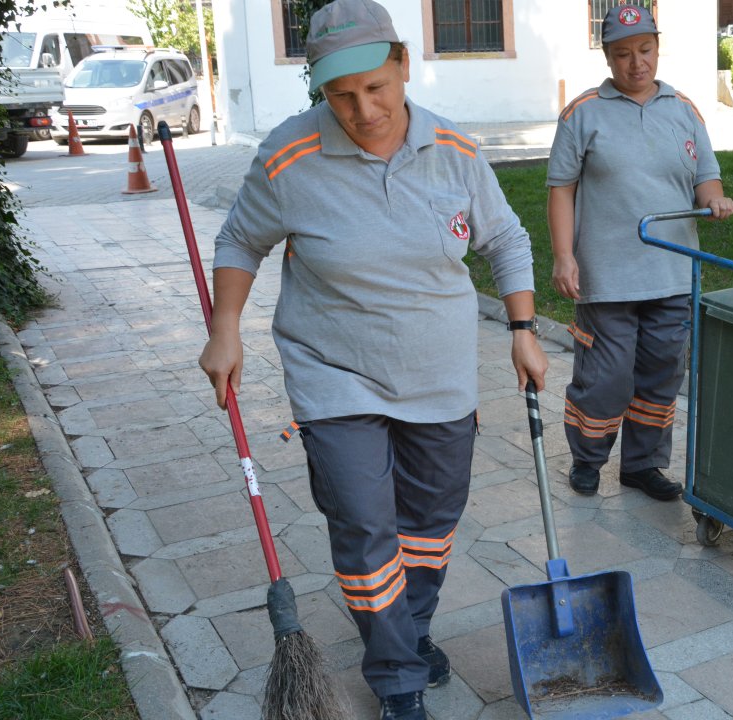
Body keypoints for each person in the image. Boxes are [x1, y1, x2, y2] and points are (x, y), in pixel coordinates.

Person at [196, 1, 548, 718]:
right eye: (340, 95)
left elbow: (506, 239)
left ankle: (410, 632)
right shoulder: (290, 155)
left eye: (376, 88)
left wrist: (523, 326)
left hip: (439, 374)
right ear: (320, 92)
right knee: (363, 523)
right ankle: (395, 677)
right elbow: (240, 240)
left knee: (430, 524)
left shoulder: (455, 149)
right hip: (335, 373)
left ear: (403, 69)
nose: (362, 109)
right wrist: (224, 327)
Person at [547, 4, 733, 502]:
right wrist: (564, 256)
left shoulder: (684, 109)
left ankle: (643, 465)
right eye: (623, 54)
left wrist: (714, 199)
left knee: (660, 374)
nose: (637, 63)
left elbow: (704, 177)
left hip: (672, 272)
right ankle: (588, 459)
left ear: (658, 45)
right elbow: (560, 189)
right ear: (608, 56)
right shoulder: (583, 113)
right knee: (606, 377)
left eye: (645, 50)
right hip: (606, 275)